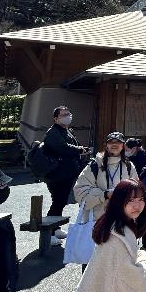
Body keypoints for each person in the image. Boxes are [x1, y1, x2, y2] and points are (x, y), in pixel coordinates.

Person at [42, 105, 88, 246]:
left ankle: (55, 228)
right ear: (56, 119)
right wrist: (80, 150)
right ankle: (47, 234)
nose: (68, 116)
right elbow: (62, 148)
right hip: (57, 175)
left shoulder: (65, 131)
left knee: (60, 202)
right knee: (58, 202)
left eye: (68, 113)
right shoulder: (53, 133)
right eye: (63, 115)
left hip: (66, 173)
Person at [74, 133, 139, 221]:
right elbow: (79, 192)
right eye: (111, 142)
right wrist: (104, 195)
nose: (114, 144)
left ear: (123, 146)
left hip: (122, 219)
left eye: (118, 142)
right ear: (106, 145)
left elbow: (136, 191)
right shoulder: (95, 165)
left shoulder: (128, 166)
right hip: (96, 221)